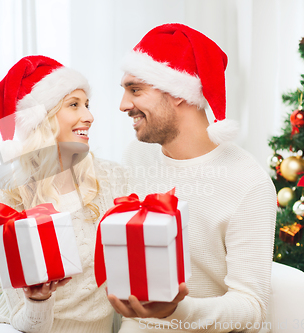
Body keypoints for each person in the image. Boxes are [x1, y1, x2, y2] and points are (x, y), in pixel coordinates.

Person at [110, 23, 277, 333]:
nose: (123, 105)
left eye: (135, 90)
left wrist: (174, 310)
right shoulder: (137, 156)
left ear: (178, 94)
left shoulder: (248, 183)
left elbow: (251, 308)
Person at [0, 55, 127, 333]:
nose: (89, 116)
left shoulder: (112, 178)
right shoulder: (13, 197)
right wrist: (38, 299)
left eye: (87, 104)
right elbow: (25, 321)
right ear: (42, 119)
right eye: (73, 105)